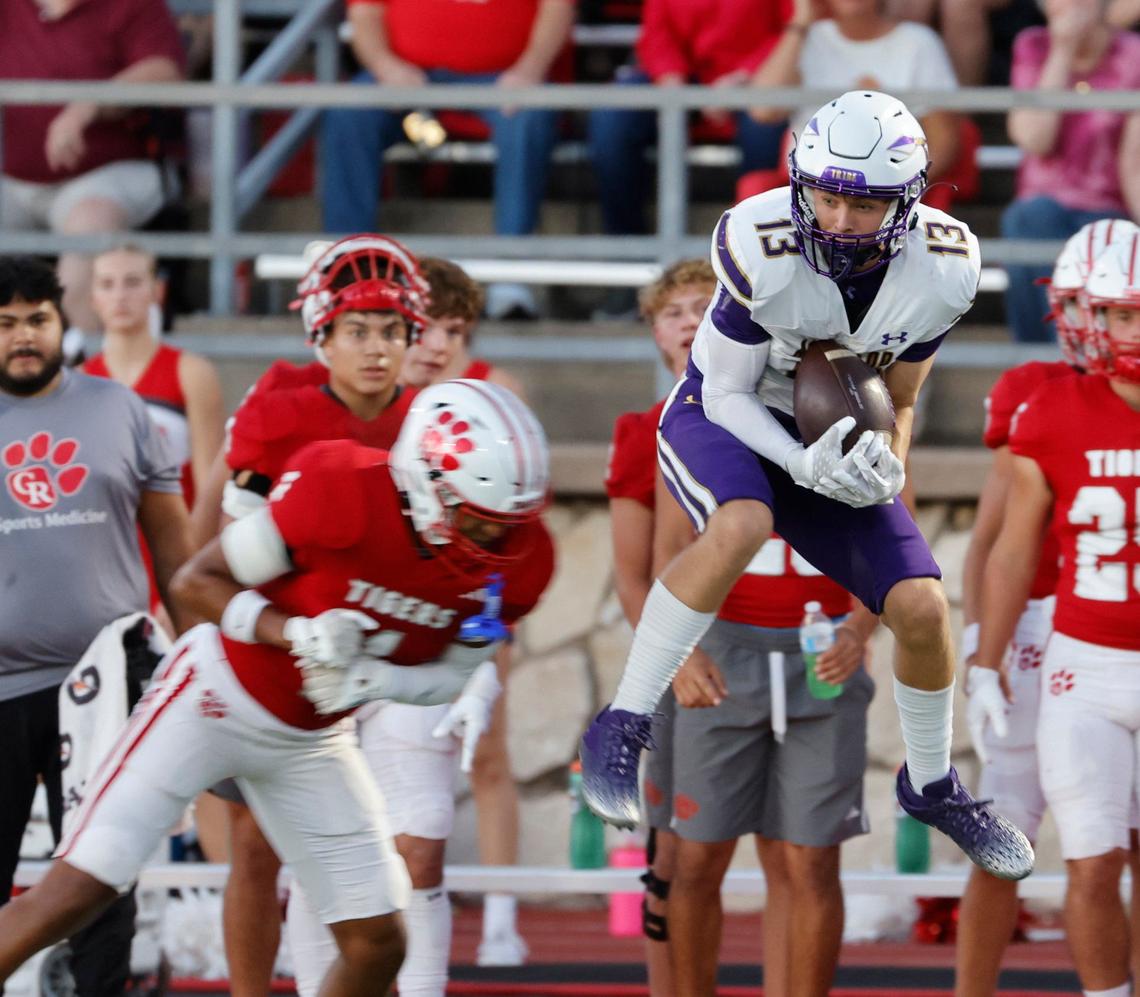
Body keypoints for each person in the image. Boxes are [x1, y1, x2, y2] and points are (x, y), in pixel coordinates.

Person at [579, 89, 1035, 882]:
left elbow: (901, 393)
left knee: (923, 606)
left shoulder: (946, 269)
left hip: (830, 432)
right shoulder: (762, 245)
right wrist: (796, 462)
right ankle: (622, 720)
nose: (839, 217)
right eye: (825, 194)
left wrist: (886, 452)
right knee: (743, 522)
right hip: (730, 415)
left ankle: (931, 784)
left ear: (908, 200)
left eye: (862, 203)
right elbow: (719, 391)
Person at [0, 375, 555, 997]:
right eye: (477, 522)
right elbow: (196, 582)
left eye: (505, 524)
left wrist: (379, 678)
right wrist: (294, 632)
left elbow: (455, 672)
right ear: (427, 483)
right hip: (211, 697)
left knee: (380, 944)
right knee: (76, 890)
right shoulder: (340, 490)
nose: (495, 544)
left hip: (309, 737)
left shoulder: (521, 556)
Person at [605, 258, 876, 996]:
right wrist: (677, 651)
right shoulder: (680, 419)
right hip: (721, 648)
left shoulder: (838, 398)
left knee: (809, 858)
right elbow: (661, 558)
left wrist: (862, 624)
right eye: (678, 310)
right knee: (692, 857)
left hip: (817, 648)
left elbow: (887, 531)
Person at [214, 234, 427, 997]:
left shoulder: (435, 421)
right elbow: (231, 548)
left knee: (388, 851)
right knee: (255, 844)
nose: (376, 349)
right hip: (288, 653)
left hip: (397, 655)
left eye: (390, 331)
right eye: (358, 330)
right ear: (323, 334)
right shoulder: (279, 407)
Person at [955, 217, 1140, 997]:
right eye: (1112, 309)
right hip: (1070, 649)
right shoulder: (1046, 401)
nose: (1112, 325)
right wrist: (982, 652)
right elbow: (1002, 547)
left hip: (1083, 638)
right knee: (1040, 841)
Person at [0, 255, 191, 995]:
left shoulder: (120, 408)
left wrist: (207, 648)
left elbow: (176, 554)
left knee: (103, 884)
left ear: (62, 322)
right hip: (1, 689)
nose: (23, 336)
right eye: (6, 323)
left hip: (103, 686)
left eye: (37, 320)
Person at [399, 257, 530, 967]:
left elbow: (519, 520)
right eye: (425, 327)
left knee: (488, 750)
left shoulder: (496, 393)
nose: (438, 343)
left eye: (454, 329)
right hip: (390, 599)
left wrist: (495, 605)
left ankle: (502, 916)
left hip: (476, 596)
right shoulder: (379, 393)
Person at [321, 0, 574, 320]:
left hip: (504, 79)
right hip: (407, 75)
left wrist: (528, 72)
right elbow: (365, 13)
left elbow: (557, 8)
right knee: (350, 112)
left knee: (530, 117)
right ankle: (350, 272)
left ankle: (512, 273)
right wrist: (387, 68)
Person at [0, 0, 185, 337]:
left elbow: (163, 71)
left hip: (113, 172)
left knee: (90, 222)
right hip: (14, 180)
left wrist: (89, 104)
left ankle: (76, 364)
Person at [587, 0, 790, 253]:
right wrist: (672, 83)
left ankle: (752, 251)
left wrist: (743, 78)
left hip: (758, 80)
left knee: (765, 125)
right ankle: (626, 248)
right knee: (614, 117)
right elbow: (657, 32)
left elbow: (791, 29)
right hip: (683, 79)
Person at [1001, 0, 1140, 343]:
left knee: (1102, 240)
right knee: (1030, 219)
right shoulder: (1033, 45)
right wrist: (1061, 52)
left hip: (1108, 207)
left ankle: (1072, 361)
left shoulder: (1133, 54)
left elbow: (1134, 159)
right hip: (1040, 206)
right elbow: (1035, 139)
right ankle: (1047, 361)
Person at [750, 0, 965, 212]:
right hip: (807, 193)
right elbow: (764, 110)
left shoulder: (918, 42)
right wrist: (800, 23)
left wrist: (892, 191)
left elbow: (943, 142)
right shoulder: (806, 39)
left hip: (887, 197)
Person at [84, 245, 224, 510]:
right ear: (93, 297)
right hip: (103, 547)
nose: (120, 296)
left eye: (133, 282)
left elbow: (210, 490)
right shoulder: (78, 381)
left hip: (176, 545)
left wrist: (194, 551)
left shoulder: (192, 373)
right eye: (107, 284)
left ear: (157, 291)